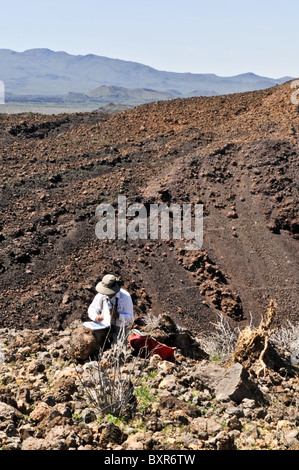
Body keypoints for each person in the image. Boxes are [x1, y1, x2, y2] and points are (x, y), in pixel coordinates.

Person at [86, 274, 134, 348]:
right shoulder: (101, 295)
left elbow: (130, 318)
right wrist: (96, 317)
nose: (107, 294)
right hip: (103, 326)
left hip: (119, 328)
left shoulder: (125, 297)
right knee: (93, 343)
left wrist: (118, 315)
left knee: (118, 350)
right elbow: (91, 309)